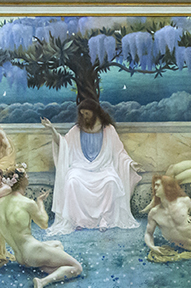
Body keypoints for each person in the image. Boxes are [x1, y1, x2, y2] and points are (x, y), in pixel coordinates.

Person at [41, 99, 141, 235]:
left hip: (103, 168)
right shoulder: (76, 130)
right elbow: (63, 144)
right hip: (80, 167)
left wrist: (130, 163)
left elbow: (119, 152)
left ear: (95, 113)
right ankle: (79, 221)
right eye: (82, 114)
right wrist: (52, 129)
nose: (84, 117)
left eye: (87, 113)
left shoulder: (108, 130)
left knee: (111, 181)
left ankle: (104, 219)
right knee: (72, 181)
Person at [0, 168, 83, 288]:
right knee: (77, 267)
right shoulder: (27, 203)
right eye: (26, 175)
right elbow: (44, 223)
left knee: (57, 244)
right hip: (33, 252)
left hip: (20, 257)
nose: (28, 177)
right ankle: (42, 281)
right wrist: (40, 203)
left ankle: (45, 268)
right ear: (21, 181)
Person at [143, 175, 191, 261]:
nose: (154, 188)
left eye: (158, 185)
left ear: (167, 186)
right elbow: (148, 233)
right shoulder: (154, 213)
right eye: (154, 185)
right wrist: (152, 247)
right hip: (189, 250)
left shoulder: (184, 201)